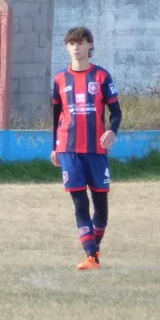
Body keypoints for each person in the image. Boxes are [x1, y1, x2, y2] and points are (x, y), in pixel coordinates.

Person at [50, 26, 122, 270]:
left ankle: (94, 247)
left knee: (101, 207)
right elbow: (56, 115)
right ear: (66, 47)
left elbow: (116, 112)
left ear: (90, 45)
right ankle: (91, 255)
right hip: (69, 149)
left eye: (81, 43)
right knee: (80, 203)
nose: (76, 47)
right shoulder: (60, 79)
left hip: (96, 151)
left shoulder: (102, 76)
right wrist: (54, 147)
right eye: (71, 43)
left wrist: (112, 130)